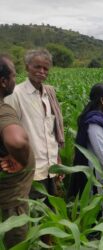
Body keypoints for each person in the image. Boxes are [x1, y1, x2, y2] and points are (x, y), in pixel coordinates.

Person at [5, 49, 64, 202]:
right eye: (37, 67)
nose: (41, 71)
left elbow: (51, 133)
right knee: (35, 214)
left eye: (45, 68)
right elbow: (8, 132)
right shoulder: (15, 94)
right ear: (27, 67)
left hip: (51, 168)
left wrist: (57, 160)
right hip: (31, 169)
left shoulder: (48, 94)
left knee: (50, 210)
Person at [69, 83, 103, 218]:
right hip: (98, 167)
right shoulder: (95, 122)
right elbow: (100, 148)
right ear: (101, 100)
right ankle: (98, 224)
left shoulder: (101, 115)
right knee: (99, 195)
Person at [0, 55, 35, 248]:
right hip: (10, 201)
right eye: (14, 75)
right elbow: (17, 141)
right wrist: (21, 160)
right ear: (4, 81)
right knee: (15, 241)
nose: (16, 79)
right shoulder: (3, 110)